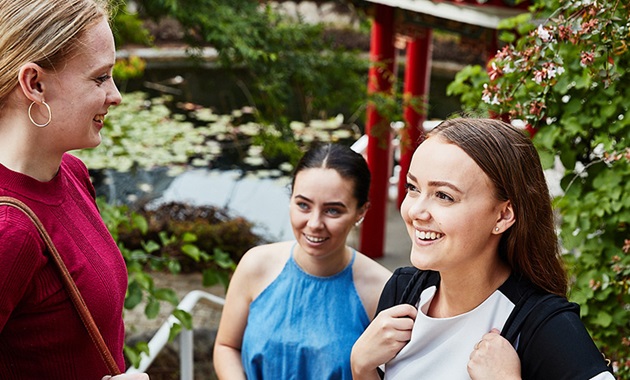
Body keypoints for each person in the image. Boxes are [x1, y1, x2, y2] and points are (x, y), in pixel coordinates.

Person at [350, 118, 614, 379]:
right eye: (413, 188)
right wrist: (362, 369)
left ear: (502, 216)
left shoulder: (544, 325)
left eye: (443, 195)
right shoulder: (403, 291)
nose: (416, 211)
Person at [0, 0, 148, 379]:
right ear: (35, 84)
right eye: (100, 78)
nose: (115, 95)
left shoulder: (71, 172)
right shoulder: (9, 232)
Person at [213, 143, 392, 379]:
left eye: (333, 211)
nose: (314, 223)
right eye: (303, 205)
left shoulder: (381, 291)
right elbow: (226, 346)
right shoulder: (255, 265)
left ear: (361, 212)